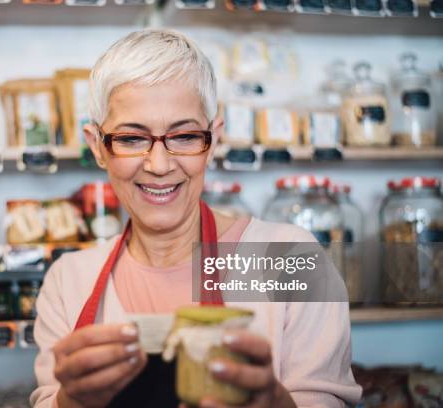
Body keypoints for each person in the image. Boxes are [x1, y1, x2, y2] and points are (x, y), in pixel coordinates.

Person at [30, 29, 362, 408]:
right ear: (97, 147)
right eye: (132, 138)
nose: (159, 165)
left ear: (214, 139)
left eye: (184, 136)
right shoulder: (68, 281)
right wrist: (70, 402)